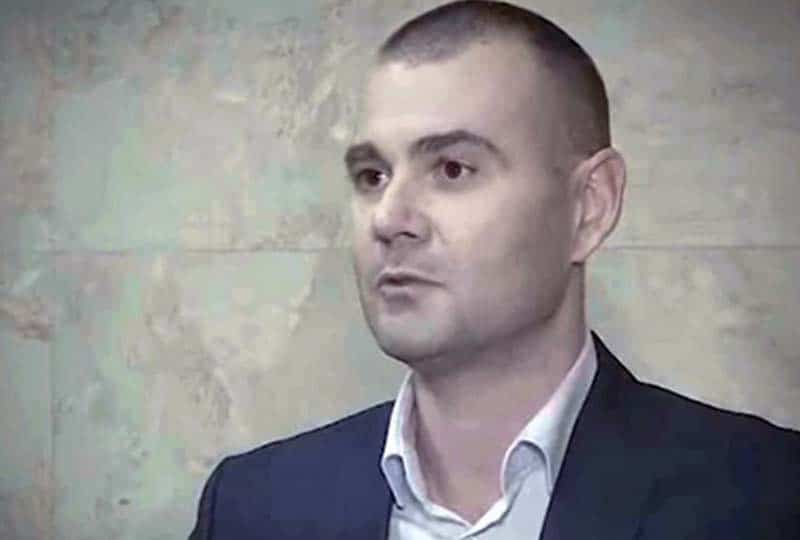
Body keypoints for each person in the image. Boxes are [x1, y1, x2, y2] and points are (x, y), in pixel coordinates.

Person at [189, 1, 800, 538]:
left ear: (589, 207)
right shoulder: (252, 508)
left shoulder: (766, 499)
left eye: (453, 169)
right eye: (372, 176)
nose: (389, 218)